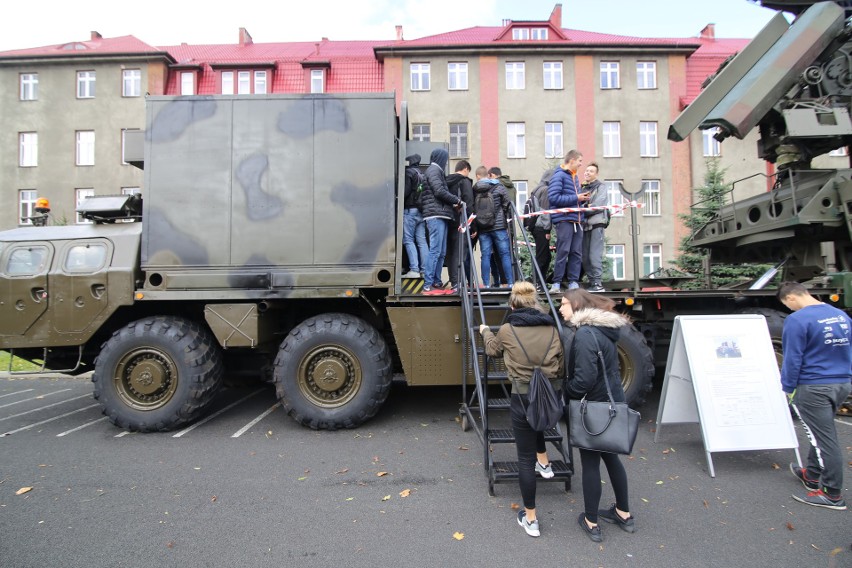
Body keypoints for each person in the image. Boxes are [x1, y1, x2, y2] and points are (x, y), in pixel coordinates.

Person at [479, 281, 564, 537]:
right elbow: (560, 361)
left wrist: (484, 330)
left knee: (524, 459)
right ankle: (545, 463)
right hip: (548, 393)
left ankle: (531, 518)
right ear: (534, 302)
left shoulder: (507, 328)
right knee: (539, 424)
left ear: (513, 304)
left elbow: (492, 351)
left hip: (522, 395)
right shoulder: (552, 328)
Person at [561, 288, 634, 542]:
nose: (561, 309)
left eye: (564, 304)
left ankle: (591, 521)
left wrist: (566, 392)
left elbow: (583, 379)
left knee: (591, 463)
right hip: (612, 405)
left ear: (577, 306)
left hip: (593, 408)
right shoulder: (605, 332)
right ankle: (623, 513)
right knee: (612, 459)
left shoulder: (583, 334)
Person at [777, 282, 852, 510]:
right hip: (841, 383)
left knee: (823, 440)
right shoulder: (839, 315)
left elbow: (792, 357)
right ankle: (810, 474)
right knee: (820, 431)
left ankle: (832, 493)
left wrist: (787, 386)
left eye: (786, 305)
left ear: (790, 299)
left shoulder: (798, 320)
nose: (790, 309)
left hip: (813, 386)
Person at [421, 148, 462, 296]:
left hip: (440, 214)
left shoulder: (435, 171)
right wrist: (457, 200)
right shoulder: (434, 170)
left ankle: (436, 281)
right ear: (441, 159)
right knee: (436, 250)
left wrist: (452, 204)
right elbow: (439, 191)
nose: (446, 162)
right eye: (445, 159)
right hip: (435, 215)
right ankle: (428, 284)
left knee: (441, 251)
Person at [548, 150, 589, 293]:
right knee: (563, 251)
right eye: (579, 161)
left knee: (576, 252)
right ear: (571, 160)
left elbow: (573, 199)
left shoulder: (574, 177)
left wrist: (582, 203)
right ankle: (556, 283)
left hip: (577, 220)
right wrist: (577, 198)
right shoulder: (559, 176)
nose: (581, 164)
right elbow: (554, 198)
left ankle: (573, 282)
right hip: (564, 219)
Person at [473, 175, 514, 288]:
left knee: (485, 256)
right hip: (499, 226)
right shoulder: (499, 187)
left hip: (483, 227)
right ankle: (510, 283)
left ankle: (486, 284)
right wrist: (507, 220)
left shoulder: (476, 189)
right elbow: (508, 204)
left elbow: (473, 208)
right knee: (504, 254)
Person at [524, 168, 556, 287]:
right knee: (543, 256)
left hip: (535, 226)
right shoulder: (546, 190)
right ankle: (538, 282)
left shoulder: (537, 189)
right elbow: (545, 211)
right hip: (541, 227)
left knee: (544, 255)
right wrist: (547, 230)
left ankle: (539, 281)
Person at [445, 160, 474, 291]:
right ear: (465, 169)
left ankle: (453, 281)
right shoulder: (464, 181)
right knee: (460, 251)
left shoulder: (446, 181)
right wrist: (471, 224)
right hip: (461, 221)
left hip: (448, 220)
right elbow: (468, 202)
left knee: (451, 252)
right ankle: (459, 283)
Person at [581, 162, 607, 293]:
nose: (587, 173)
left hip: (597, 224)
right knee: (584, 256)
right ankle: (592, 283)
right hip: (584, 226)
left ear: (596, 174)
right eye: (586, 171)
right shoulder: (583, 188)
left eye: (590, 171)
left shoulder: (601, 187)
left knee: (594, 255)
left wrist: (583, 209)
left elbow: (598, 205)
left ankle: (598, 283)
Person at [401, 154, 428, 279]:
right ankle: (425, 270)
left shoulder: (409, 172)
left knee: (408, 240)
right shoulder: (422, 173)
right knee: (421, 241)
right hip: (420, 211)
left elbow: (405, 192)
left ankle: (414, 269)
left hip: (409, 210)